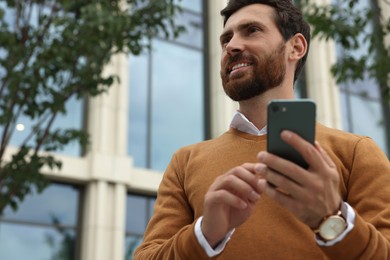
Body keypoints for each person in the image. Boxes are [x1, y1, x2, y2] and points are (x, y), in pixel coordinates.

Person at [134, 0, 390, 259]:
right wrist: (205, 234)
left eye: (252, 30)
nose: (231, 46)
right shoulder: (185, 162)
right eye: (226, 39)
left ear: (296, 47)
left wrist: (330, 219)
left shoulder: (357, 152)